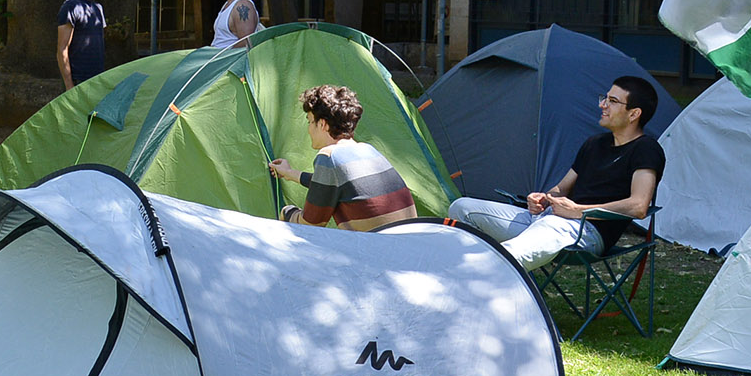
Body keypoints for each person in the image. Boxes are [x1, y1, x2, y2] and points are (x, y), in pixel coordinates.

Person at [444, 76, 665, 270]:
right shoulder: (594, 143)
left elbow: (638, 206)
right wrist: (544, 199)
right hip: (549, 219)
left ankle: (476, 276)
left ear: (634, 113)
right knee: (462, 208)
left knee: (529, 241)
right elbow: (561, 188)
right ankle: (464, 267)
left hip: (585, 231)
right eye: (604, 98)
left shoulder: (645, 149)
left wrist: (578, 211)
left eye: (613, 101)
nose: (602, 105)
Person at [268, 84, 417, 230]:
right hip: (410, 239)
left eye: (310, 121)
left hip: (377, 245)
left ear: (322, 124)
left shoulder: (329, 156)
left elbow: (310, 225)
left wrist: (287, 212)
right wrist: (289, 173)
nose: (308, 129)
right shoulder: (367, 149)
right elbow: (329, 184)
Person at [57, 0, 108, 89]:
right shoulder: (70, 7)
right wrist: (69, 86)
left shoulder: (98, 8)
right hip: (78, 81)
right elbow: (62, 49)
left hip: (98, 80)